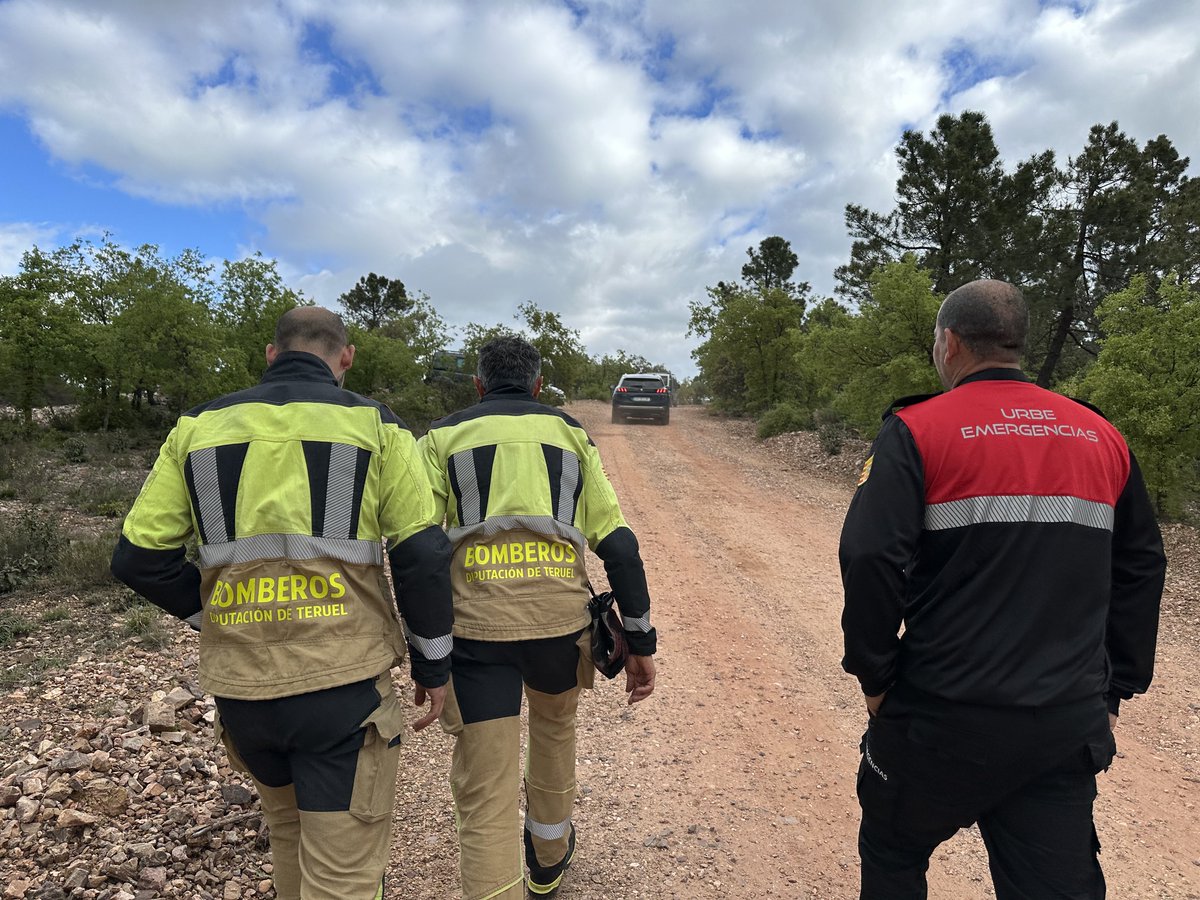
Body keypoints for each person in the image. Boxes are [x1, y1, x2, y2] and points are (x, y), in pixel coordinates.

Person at [111, 307, 454, 900]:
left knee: (289, 837)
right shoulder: (375, 425)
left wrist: (215, 618)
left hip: (244, 695)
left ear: (272, 355)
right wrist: (433, 664)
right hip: (342, 692)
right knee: (344, 876)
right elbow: (421, 555)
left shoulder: (197, 427)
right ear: (345, 357)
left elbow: (137, 559)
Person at [839, 279, 1165, 898]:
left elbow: (869, 555)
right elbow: (1143, 565)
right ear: (1017, 345)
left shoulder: (917, 431)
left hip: (939, 716)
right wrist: (1115, 686)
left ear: (950, 343)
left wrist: (875, 677)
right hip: (1061, 725)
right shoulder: (1101, 436)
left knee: (892, 852)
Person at [418, 334, 657, 899]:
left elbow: (421, 550)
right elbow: (618, 546)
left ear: (478, 384)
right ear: (538, 386)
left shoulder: (442, 438)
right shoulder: (570, 435)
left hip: (475, 633)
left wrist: (426, 646)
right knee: (554, 733)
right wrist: (641, 642)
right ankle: (548, 863)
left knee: (486, 778)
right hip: (559, 628)